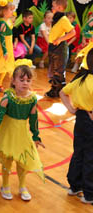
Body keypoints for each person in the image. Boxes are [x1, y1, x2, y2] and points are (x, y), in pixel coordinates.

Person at [0, 65, 45, 201]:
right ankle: (5, 185)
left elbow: (34, 120)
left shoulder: (32, 99)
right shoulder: (7, 99)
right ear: (14, 81)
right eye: (21, 80)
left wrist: (36, 136)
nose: (25, 83)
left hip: (22, 133)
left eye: (28, 80)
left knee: (23, 159)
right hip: (8, 132)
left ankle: (22, 186)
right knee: (8, 159)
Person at [59, 47, 93, 204]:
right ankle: (89, 194)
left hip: (80, 118)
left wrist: (72, 109)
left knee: (79, 151)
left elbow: (62, 93)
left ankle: (74, 186)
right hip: (89, 120)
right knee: (90, 156)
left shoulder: (81, 79)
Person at [45, 0, 75, 98]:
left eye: (53, 5)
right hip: (53, 46)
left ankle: (57, 91)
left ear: (60, 8)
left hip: (60, 47)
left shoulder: (64, 19)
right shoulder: (56, 18)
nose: (51, 6)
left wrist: (60, 39)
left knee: (58, 70)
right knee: (53, 69)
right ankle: (57, 89)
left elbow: (73, 32)